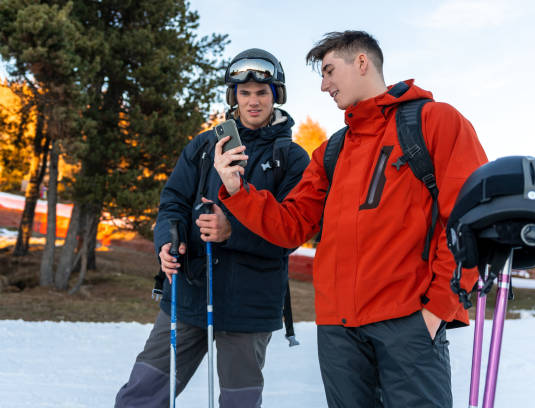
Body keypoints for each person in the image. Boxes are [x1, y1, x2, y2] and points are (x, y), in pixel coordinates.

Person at [214, 31, 488, 407]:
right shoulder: (331, 151)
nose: (324, 85)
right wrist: (238, 189)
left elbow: (468, 217)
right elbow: (292, 224)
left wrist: (439, 306)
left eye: (328, 71)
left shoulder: (435, 121)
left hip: (408, 322)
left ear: (361, 62)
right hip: (338, 333)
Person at [115, 48, 310, 408]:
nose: (253, 102)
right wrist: (166, 241)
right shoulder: (205, 146)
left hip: (249, 305)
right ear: (232, 96)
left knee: (239, 402)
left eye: (262, 93)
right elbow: (172, 201)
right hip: (190, 293)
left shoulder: (293, 159)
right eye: (244, 93)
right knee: (141, 395)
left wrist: (231, 232)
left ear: (276, 95)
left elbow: (290, 234)